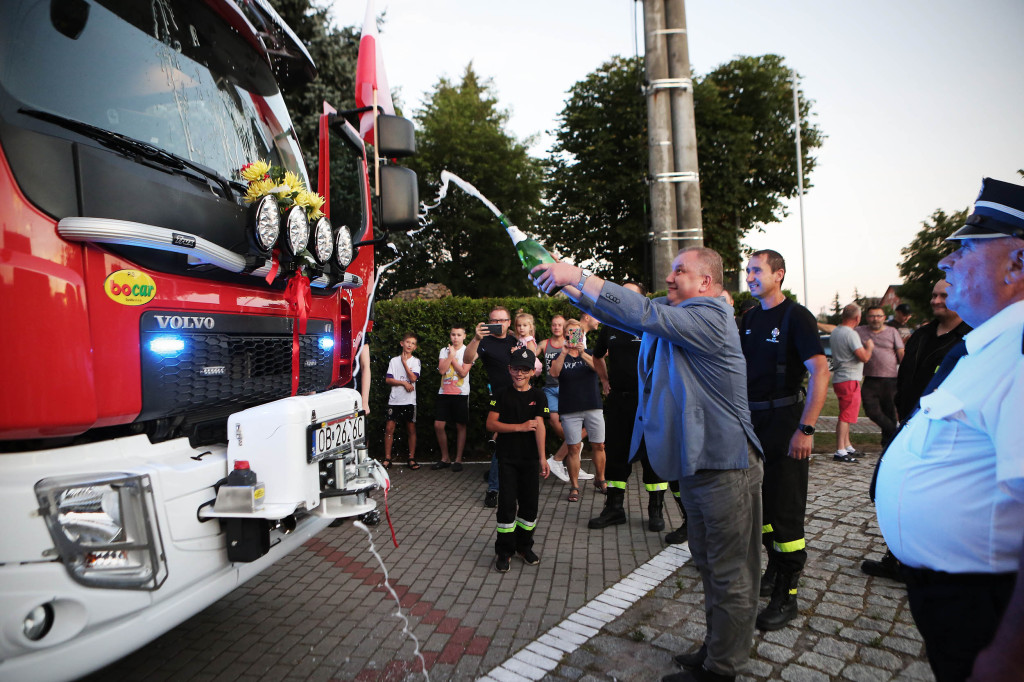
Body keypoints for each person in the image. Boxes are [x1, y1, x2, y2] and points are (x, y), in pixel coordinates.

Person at [532, 248, 763, 682]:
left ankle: (723, 669)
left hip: (725, 466)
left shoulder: (712, 317)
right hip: (698, 467)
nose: (670, 277)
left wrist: (579, 272)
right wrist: (570, 287)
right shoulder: (675, 318)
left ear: (707, 283)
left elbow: (639, 310)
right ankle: (717, 650)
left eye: (680, 271)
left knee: (731, 572)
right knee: (710, 566)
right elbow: (625, 317)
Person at [874, 177, 1024, 681]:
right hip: (949, 593)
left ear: (1018, 262)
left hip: (985, 603)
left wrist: (1010, 654)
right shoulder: (990, 343)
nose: (945, 260)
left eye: (965, 248)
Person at [740, 249, 829, 631]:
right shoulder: (748, 317)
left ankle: (787, 596)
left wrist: (806, 429)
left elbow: (820, 372)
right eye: (747, 271)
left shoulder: (797, 317)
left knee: (786, 508)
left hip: (784, 420)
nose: (750, 276)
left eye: (757, 270)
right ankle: (774, 572)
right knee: (762, 506)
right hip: (752, 421)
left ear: (779, 274)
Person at [861, 279, 971, 582]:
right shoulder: (921, 335)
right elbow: (906, 375)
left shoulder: (971, 338)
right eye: (934, 294)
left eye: (943, 295)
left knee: (933, 499)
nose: (936, 300)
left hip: (944, 433)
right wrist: (899, 407)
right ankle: (897, 556)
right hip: (908, 424)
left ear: (961, 296)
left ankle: (927, 562)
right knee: (899, 492)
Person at [589, 281, 673, 533]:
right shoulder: (611, 324)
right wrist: (605, 380)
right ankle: (614, 508)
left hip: (648, 402)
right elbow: (597, 355)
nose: (624, 297)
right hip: (619, 401)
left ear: (644, 300)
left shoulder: (653, 325)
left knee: (652, 455)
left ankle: (656, 510)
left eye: (630, 294)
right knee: (616, 453)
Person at [488, 348, 550, 573]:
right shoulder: (501, 394)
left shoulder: (539, 396)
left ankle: (524, 547)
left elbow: (540, 426)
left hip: (531, 459)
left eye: (525, 370)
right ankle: (504, 552)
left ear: (533, 372)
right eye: (515, 369)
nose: (519, 374)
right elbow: (491, 424)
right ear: (509, 369)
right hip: (507, 459)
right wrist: (519, 427)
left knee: (530, 507)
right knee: (506, 508)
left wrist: (543, 458)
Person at [464, 306, 518, 507]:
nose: (498, 324)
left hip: (521, 397)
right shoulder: (484, 342)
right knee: (503, 442)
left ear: (509, 322)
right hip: (500, 399)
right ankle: (494, 489)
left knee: (519, 440)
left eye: (502, 320)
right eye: (494, 321)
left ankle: (510, 482)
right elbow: (467, 359)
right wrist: (476, 339)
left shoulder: (516, 341)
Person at [549, 318, 606, 501]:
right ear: (566, 334)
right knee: (573, 448)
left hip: (592, 405)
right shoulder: (561, 356)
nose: (574, 336)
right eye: (571, 332)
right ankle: (574, 486)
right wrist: (564, 353)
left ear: (582, 334)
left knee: (599, 445)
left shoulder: (590, 353)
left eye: (578, 332)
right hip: (570, 408)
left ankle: (600, 478)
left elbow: (599, 369)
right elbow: (554, 374)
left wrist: (582, 353)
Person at [540, 315, 595, 483]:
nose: (556, 327)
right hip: (551, 387)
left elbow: (586, 364)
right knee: (557, 424)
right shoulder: (545, 343)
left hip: (569, 387)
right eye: (554, 324)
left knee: (581, 431)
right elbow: (531, 353)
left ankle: (561, 459)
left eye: (559, 325)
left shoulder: (579, 342)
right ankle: (569, 455)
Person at [829, 303, 873, 462]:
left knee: (846, 413)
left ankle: (847, 446)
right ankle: (840, 450)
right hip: (849, 378)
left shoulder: (836, 332)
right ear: (857, 318)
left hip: (840, 377)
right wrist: (869, 347)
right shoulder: (851, 334)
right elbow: (864, 357)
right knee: (845, 416)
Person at [856, 306, 905, 447]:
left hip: (890, 379)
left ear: (884, 318)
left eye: (878, 316)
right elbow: (840, 330)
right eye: (872, 316)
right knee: (871, 411)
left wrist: (906, 370)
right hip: (870, 378)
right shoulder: (860, 331)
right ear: (867, 318)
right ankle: (895, 431)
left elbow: (900, 352)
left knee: (889, 412)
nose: (875, 319)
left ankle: (888, 445)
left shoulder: (892, 331)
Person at [432, 325, 470, 472]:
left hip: (461, 394)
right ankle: (445, 458)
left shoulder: (468, 351)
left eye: (459, 335)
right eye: (453, 334)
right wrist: (450, 355)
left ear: (464, 336)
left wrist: (452, 357)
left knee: (460, 425)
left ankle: (458, 459)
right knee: (438, 425)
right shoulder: (444, 350)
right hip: (444, 393)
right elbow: (442, 370)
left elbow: (463, 372)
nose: (455, 337)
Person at [383, 332, 420, 470]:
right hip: (394, 400)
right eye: (408, 342)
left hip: (409, 401)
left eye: (413, 343)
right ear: (402, 343)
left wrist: (405, 364)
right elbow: (388, 379)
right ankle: (387, 458)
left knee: (411, 428)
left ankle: (411, 458)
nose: (410, 345)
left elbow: (413, 379)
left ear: (415, 347)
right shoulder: (393, 361)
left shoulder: (415, 362)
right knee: (389, 428)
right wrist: (403, 383)